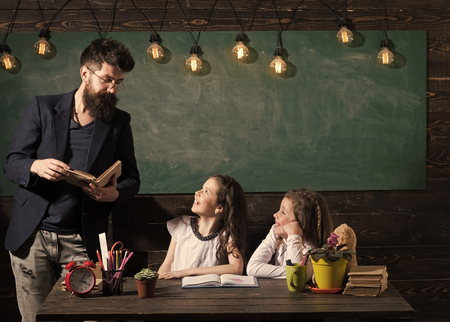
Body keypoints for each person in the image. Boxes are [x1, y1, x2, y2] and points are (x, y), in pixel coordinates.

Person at [4, 38, 140, 322]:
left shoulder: (119, 121)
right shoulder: (42, 107)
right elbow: (13, 164)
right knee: (35, 318)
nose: (113, 89)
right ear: (85, 73)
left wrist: (114, 195)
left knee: (88, 317)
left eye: (118, 82)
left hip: (83, 239)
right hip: (32, 237)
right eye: (106, 80)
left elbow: (131, 179)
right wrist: (36, 166)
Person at [158, 174, 247, 279]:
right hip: (177, 291)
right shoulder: (182, 225)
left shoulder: (226, 236)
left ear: (219, 208)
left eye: (206, 191)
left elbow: (236, 268)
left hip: (205, 294)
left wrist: (188, 272)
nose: (197, 192)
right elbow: (167, 264)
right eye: (202, 188)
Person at [246, 188, 333, 282]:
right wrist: (291, 271)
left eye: (283, 212)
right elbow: (252, 268)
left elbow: (298, 278)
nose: (275, 215)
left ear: (300, 223)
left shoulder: (311, 249)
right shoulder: (276, 232)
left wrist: (293, 235)